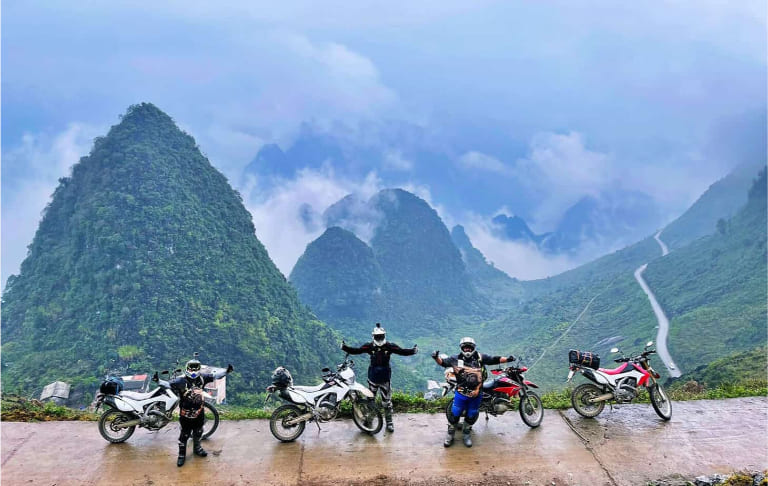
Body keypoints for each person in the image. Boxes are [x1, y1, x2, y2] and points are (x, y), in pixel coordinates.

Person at [432, 337, 514, 447]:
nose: (467, 350)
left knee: (472, 414)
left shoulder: (480, 358)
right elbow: (443, 363)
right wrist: (436, 357)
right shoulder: (454, 359)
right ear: (461, 348)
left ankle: (466, 434)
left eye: (469, 347)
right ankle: (450, 434)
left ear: (473, 348)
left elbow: (495, 359)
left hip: (477, 394)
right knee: (455, 414)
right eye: (465, 348)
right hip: (461, 394)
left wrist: (508, 359)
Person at [341, 323, 418, 432]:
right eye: (377, 336)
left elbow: (402, 351)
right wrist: (345, 348)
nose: (379, 338)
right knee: (370, 400)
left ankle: (389, 422)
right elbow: (357, 350)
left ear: (384, 336)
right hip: (372, 378)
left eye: (381, 336)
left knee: (386, 401)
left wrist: (412, 351)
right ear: (373, 337)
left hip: (385, 378)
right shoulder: (369, 346)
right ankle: (369, 419)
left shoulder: (389, 346)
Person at [170, 358, 234, 467]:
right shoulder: (181, 380)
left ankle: (197, 448)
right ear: (187, 369)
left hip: (199, 412)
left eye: (196, 368)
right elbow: (168, 384)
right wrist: (158, 381)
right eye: (191, 368)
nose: (193, 371)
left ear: (199, 369)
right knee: (184, 434)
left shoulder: (202, 378)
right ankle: (181, 455)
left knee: (198, 431)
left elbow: (216, 375)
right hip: (185, 413)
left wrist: (226, 371)